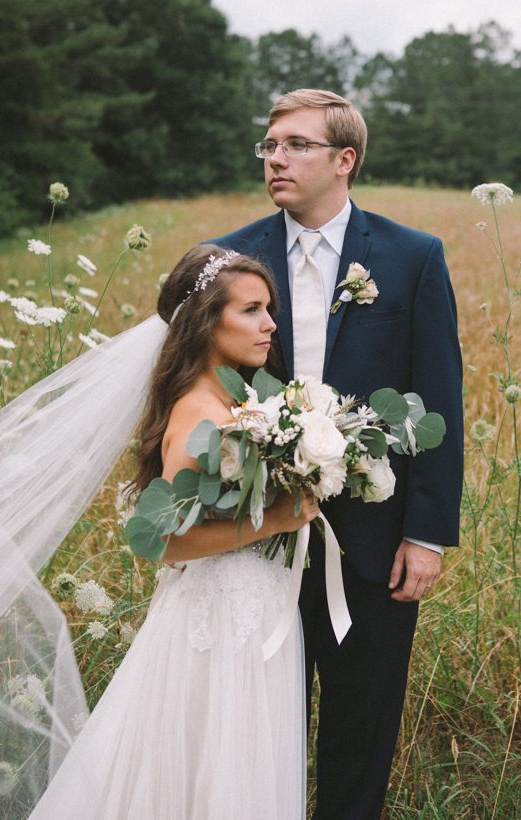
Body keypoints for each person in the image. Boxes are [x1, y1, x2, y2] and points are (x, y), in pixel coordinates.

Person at [210, 89, 464, 819]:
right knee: (260, 720)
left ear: (344, 160)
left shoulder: (413, 258)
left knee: (363, 720)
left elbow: (437, 397)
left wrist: (426, 533)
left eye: (295, 145)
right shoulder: (232, 257)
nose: (275, 158)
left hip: (374, 537)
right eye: (269, 146)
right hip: (254, 529)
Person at [0, 245, 317, 819]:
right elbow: (167, 543)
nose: (270, 323)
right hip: (217, 620)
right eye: (251, 310)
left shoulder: (235, 397)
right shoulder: (200, 411)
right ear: (206, 321)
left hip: (253, 608)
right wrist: (279, 517)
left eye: (268, 308)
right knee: (207, 761)